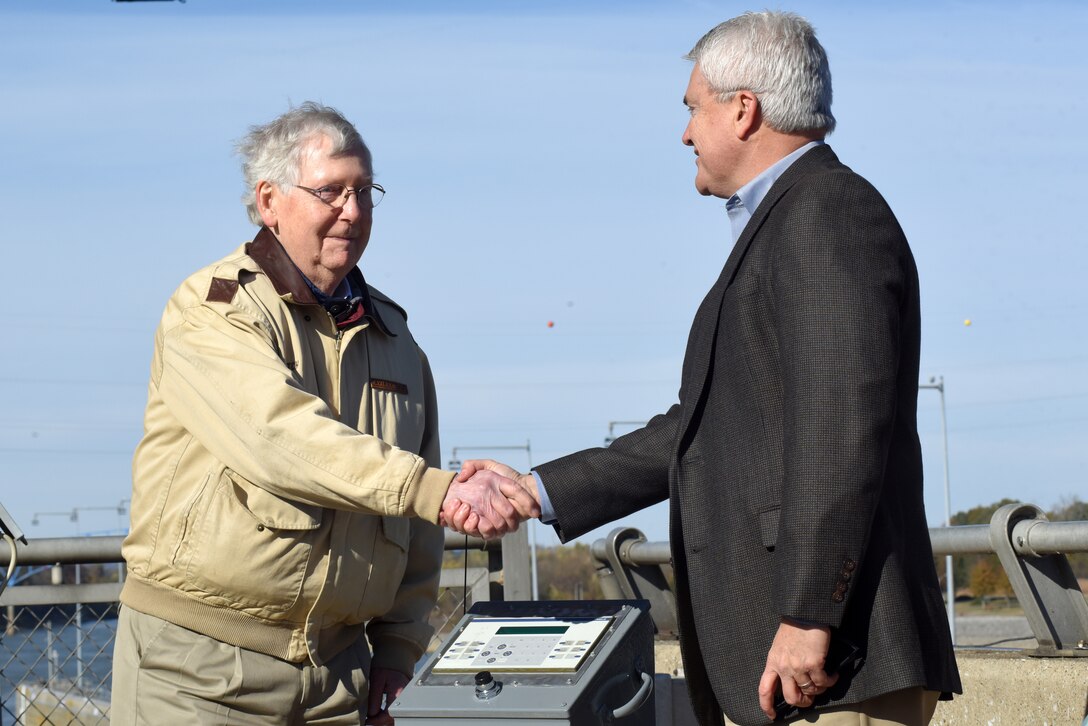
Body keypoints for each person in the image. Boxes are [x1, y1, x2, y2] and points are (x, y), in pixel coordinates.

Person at [444, 11, 961, 726]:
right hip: (794, 662)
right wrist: (540, 489)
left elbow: (843, 434)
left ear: (743, 110)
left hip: (837, 664)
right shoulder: (786, 220)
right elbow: (702, 429)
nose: (686, 131)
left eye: (693, 108)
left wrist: (810, 616)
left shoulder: (828, 213)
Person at [111, 102, 537, 726]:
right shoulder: (212, 310)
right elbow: (279, 437)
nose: (354, 211)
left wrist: (397, 649)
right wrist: (438, 492)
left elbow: (417, 534)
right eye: (331, 191)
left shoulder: (395, 338)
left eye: (365, 191)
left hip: (340, 680)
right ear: (269, 201)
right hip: (199, 675)